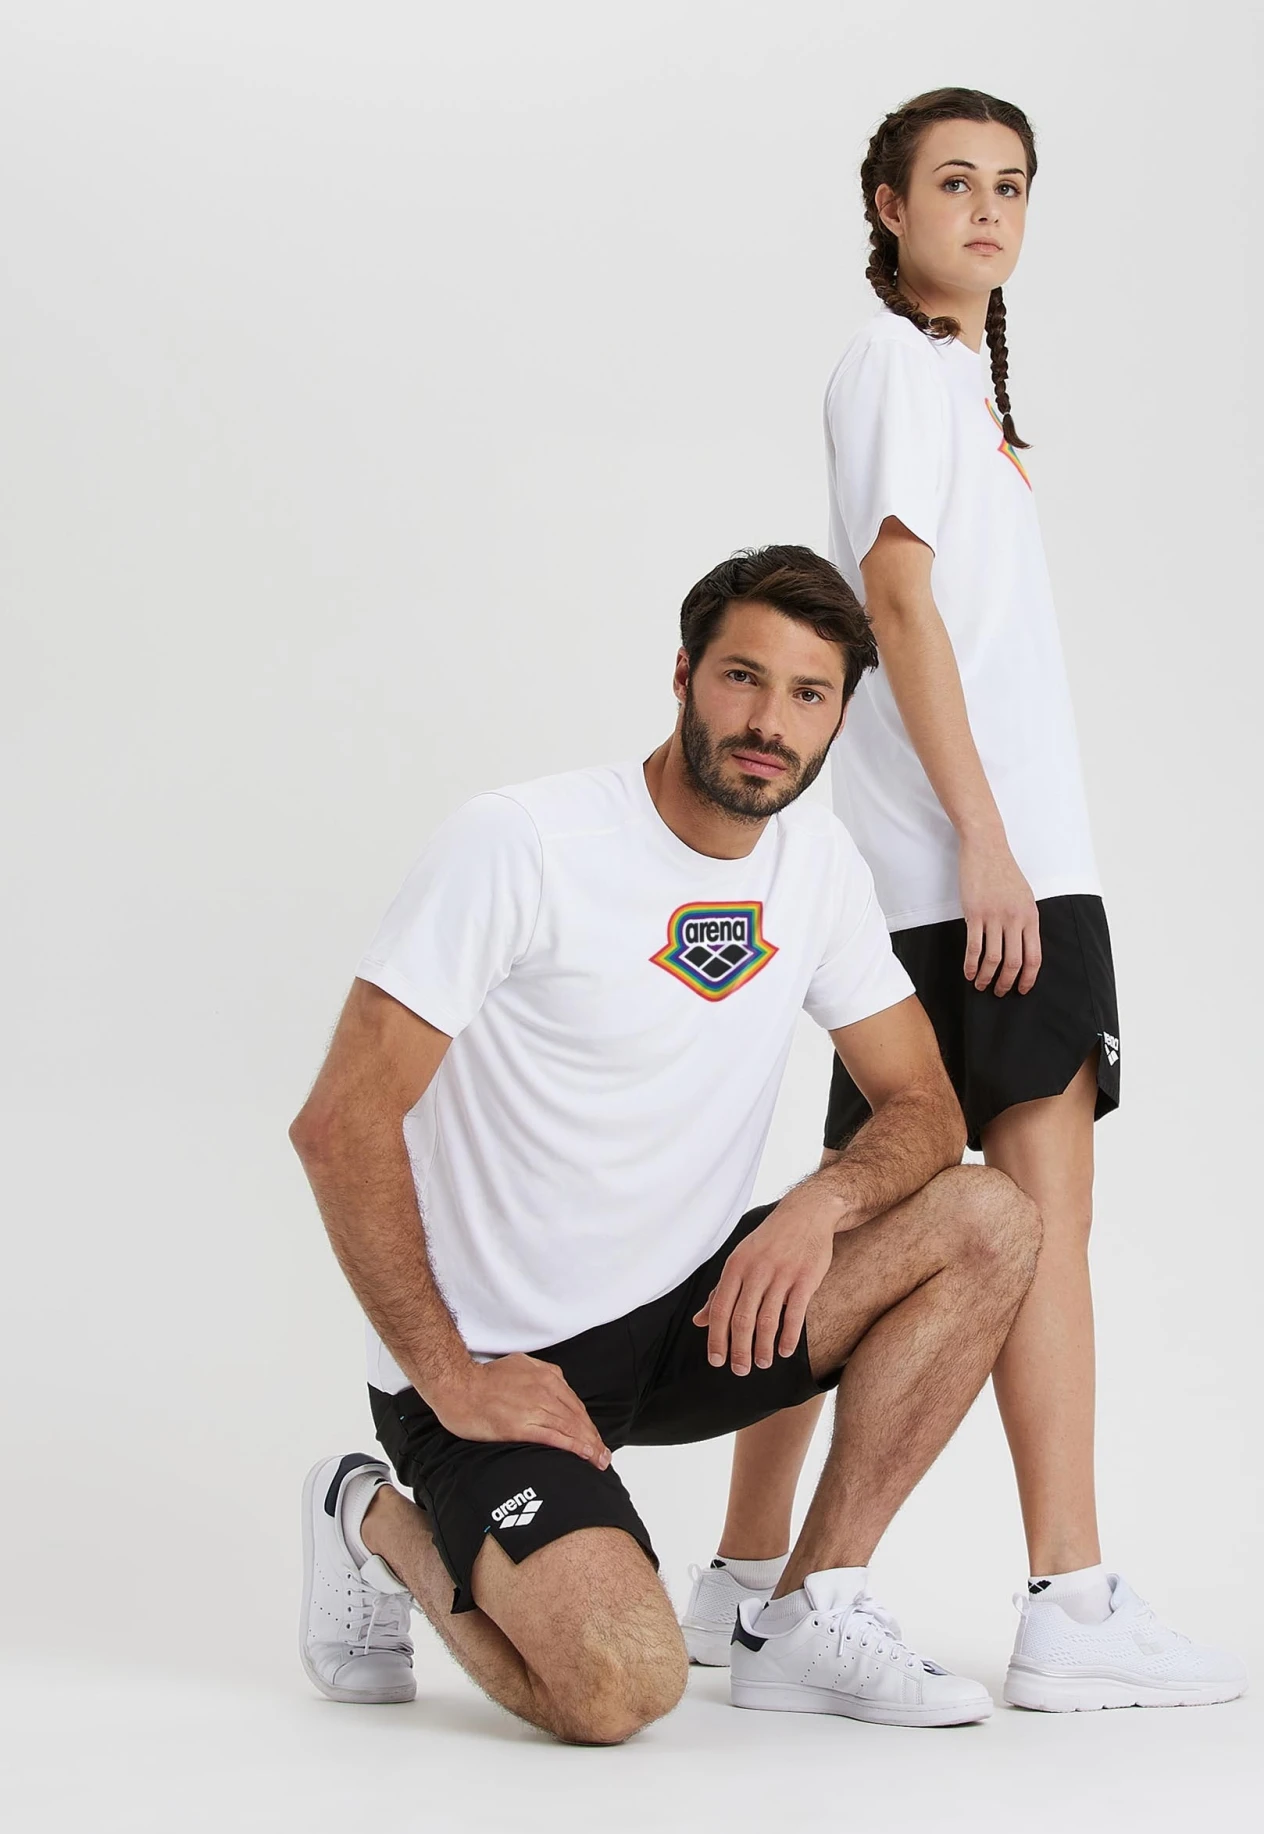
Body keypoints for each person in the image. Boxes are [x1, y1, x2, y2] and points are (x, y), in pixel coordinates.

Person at [680, 92, 1247, 1712]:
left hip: (944, 873)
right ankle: (1071, 1598)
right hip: (992, 877)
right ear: (887, 205)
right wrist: (992, 844)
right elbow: (898, 596)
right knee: (1040, 1224)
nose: (988, 210)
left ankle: (744, 1581)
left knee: (856, 1210)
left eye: (1011, 186)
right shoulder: (893, 364)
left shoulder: (953, 386)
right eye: (954, 182)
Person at [291, 544, 1043, 1743]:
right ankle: (373, 1517)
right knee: (617, 1688)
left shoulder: (816, 867)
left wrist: (820, 1206)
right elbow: (340, 1121)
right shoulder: (524, 843)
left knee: (989, 1216)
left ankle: (808, 1608)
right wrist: (448, 1375)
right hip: (496, 1366)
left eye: (808, 694)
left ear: (840, 718)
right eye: (744, 678)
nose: (770, 723)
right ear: (685, 675)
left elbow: (925, 1106)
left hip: (690, 1316)